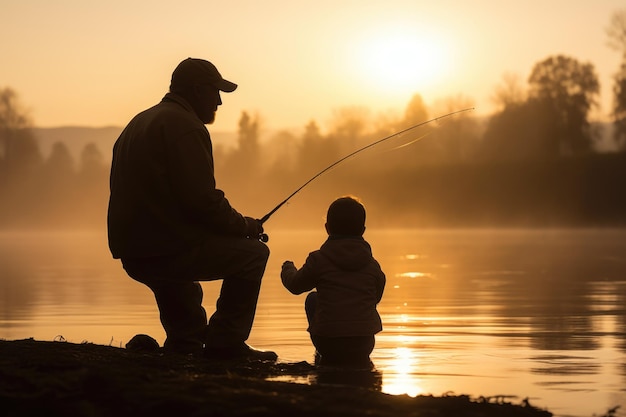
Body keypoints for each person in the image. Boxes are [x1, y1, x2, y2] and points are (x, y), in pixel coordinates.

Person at [107, 57, 276, 361]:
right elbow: (202, 202)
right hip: (164, 247)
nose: (220, 102)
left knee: (183, 292)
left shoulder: (140, 121)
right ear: (198, 90)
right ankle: (226, 344)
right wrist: (246, 227)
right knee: (253, 256)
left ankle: (185, 343)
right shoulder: (186, 127)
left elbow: (179, 200)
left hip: (135, 249)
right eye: (216, 92)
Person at [281, 196, 386, 368]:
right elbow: (376, 297)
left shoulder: (319, 260)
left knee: (312, 298)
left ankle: (322, 355)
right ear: (363, 230)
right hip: (364, 345)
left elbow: (295, 286)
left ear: (327, 228)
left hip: (329, 345)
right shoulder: (373, 265)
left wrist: (287, 268)